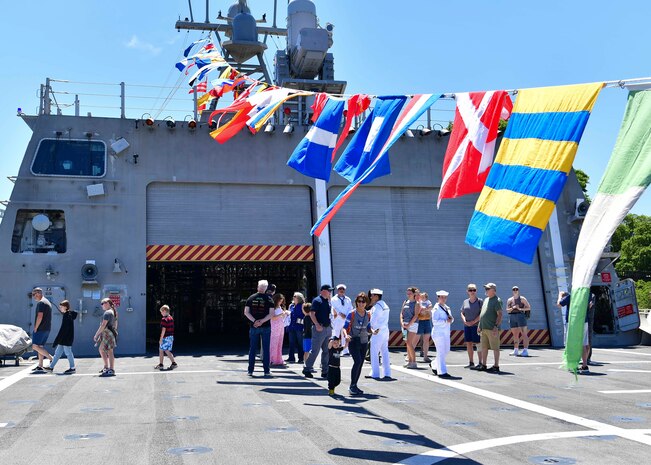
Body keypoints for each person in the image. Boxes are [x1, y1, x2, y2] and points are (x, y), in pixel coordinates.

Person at [244, 279, 275, 377]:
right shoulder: (269, 299)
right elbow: (271, 314)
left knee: (252, 348)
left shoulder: (251, 298)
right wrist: (262, 321)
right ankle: (266, 370)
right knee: (266, 349)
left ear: (258, 287)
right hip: (266, 326)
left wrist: (255, 321)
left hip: (254, 326)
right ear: (266, 289)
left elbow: (246, 312)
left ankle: (250, 370)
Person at [344, 292, 372, 395]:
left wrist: (372, 331)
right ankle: (352, 386)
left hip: (364, 341)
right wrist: (346, 335)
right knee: (357, 361)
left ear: (366, 303)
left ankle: (354, 385)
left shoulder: (368, 314)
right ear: (356, 302)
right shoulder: (351, 313)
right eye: (359, 301)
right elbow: (344, 327)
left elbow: (368, 327)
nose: (361, 303)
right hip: (353, 340)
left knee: (360, 364)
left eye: (363, 302)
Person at [303, 285, 333, 379]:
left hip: (327, 328)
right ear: (323, 291)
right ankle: (307, 368)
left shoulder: (327, 301)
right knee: (315, 350)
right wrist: (316, 324)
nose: (330, 292)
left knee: (326, 351)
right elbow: (312, 313)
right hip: (319, 328)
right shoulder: (317, 300)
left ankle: (325, 371)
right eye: (329, 291)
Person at [475, 282, 503, 373]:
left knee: (495, 347)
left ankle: (496, 366)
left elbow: (500, 314)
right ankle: (484, 365)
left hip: (492, 328)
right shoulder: (486, 299)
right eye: (485, 288)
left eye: (488, 289)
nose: (486, 290)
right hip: (484, 328)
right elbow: (482, 313)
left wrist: (496, 326)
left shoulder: (497, 300)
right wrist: (479, 325)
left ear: (494, 291)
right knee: (484, 347)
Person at [44, 300, 77, 374]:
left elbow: (63, 329)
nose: (60, 308)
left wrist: (57, 339)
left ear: (65, 307)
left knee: (68, 352)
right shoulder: (69, 314)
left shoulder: (67, 315)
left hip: (66, 338)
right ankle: (51, 367)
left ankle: (72, 368)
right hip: (65, 338)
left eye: (61, 307)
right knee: (58, 353)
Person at [368, 288, 391, 379]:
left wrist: (370, 328)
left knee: (374, 352)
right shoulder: (384, 305)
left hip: (377, 331)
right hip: (385, 331)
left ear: (376, 296)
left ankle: (375, 373)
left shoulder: (377, 307)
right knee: (384, 352)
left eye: (372, 295)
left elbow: (373, 320)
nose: (370, 297)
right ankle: (387, 373)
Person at [430, 290, 454, 378]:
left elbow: (450, 318)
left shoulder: (447, 307)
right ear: (438, 298)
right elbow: (435, 321)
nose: (443, 299)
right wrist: (445, 321)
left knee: (446, 350)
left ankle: (434, 364)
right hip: (438, 333)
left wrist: (451, 320)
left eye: (445, 297)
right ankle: (442, 372)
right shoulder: (436, 308)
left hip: (446, 332)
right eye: (442, 297)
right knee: (440, 351)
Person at [30, 288, 53, 373]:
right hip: (46, 328)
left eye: (34, 294)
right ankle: (40, 365)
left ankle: (52, 359)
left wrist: (36, 327)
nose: (33, 297)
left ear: (38, 293)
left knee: (34, 346)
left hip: (41, 328)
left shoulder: (41, 303)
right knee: (40, 347)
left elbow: (40, 316)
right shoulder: (47, 301)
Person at [94, 298, 118, 377]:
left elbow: (103, 325)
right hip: (107, 333)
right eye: (101, 303)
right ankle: (106, 367)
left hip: (107, 333)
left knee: (110, 351)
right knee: (101, 349)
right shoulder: (112, 312)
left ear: (108, 304)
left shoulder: (107, 313)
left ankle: (111, 369)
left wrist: (96, 334)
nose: (102, 305)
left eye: (104, 303)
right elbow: (115, 324)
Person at [460, 283, 482, 368]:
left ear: (476, 291)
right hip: (467, 326)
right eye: (470, 290)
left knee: (478, 344)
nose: (472, 292)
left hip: (476, 326)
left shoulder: (480, 301)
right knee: (469, 343)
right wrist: (465, 321)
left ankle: (480, 362)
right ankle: (471, 362)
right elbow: (462, 312)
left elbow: (482, 313)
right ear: (467, 291)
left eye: (474, 290)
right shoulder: (465, 302)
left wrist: (474, 321)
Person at [506, 286, 531, 357]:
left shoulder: (522, 299)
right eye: (514, 289)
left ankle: (525, 350)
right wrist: (513, 308)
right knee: (515, 334)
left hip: (521, 316)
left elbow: (529, 307)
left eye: (516, 289)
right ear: (512, 291)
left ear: (518, 290)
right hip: (512, 316)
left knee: (524, 334)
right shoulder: (510, 300)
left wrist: (520, 308)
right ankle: (516, 350)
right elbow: (507, 310)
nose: (515, 290)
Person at [400, 287, 420, 369]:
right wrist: (402, 322)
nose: (408, 295)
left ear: (414, 294)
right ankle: (409, 361)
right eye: (407, 293)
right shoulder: (405, 302)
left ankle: (414, 362)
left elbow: (416, 315)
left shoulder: (417, 303)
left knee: (409, 343)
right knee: (407, 343)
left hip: (413, 325)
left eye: (410, 293)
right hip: (404, 325)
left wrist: (409, 325)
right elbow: (401, 313)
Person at [331, 284, 353, 355]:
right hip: (337, 319)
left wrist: (347, 316)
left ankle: (345, 351)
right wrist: (340, 314)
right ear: (337, 290)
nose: (341, 290)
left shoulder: (348, 299)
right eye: (340, 289)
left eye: (343, 289)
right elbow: (333, 308)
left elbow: (350, 308)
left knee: (344, 335)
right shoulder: (334, 299)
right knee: (336, 335)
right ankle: (335, 350)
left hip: (345, 319)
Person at [154, 304, 177, 371]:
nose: (161, 313)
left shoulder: (164, 319)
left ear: (164, 311)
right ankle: (173, 363)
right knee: (167, 350)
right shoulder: (171, 318)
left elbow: (163, 330)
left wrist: (160, 339)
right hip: (171, 337)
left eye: (161, 311)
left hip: (165, 337)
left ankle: (161, 364)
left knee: (161, 350)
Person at [270, 293, 289, 367]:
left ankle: (278, 359)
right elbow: (272, 317)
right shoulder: (273, 307)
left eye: (282, 301)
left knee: (279, 343)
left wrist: (284, 314)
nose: (281, 302)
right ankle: (272, 359)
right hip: (274, 327)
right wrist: (282, 314)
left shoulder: (280, 307)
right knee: (274, 343)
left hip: (280, 326)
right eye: (279, 301)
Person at [286, 292, 305, 364]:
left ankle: (301, 358)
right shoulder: (291, 306)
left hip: (299, 326)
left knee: (300, 343)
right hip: (291, 326)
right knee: (291, 342)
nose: (293, 297)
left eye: (295, 296)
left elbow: (305, 316)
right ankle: (291, 357)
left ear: (299, 298)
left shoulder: (302, 305)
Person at [416, 292, 433, 362]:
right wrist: (423, 309)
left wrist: (424, 309)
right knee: (416, 339)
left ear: (426, 297)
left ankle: (425, 356)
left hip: (427, 321)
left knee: (426, 339)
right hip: (419, 321)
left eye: (423, 296)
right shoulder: (418, 302)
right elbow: (418, 309)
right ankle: (409, 356)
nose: (422, 298)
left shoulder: (428, 302)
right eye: (421, 296)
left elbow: (430, 307)